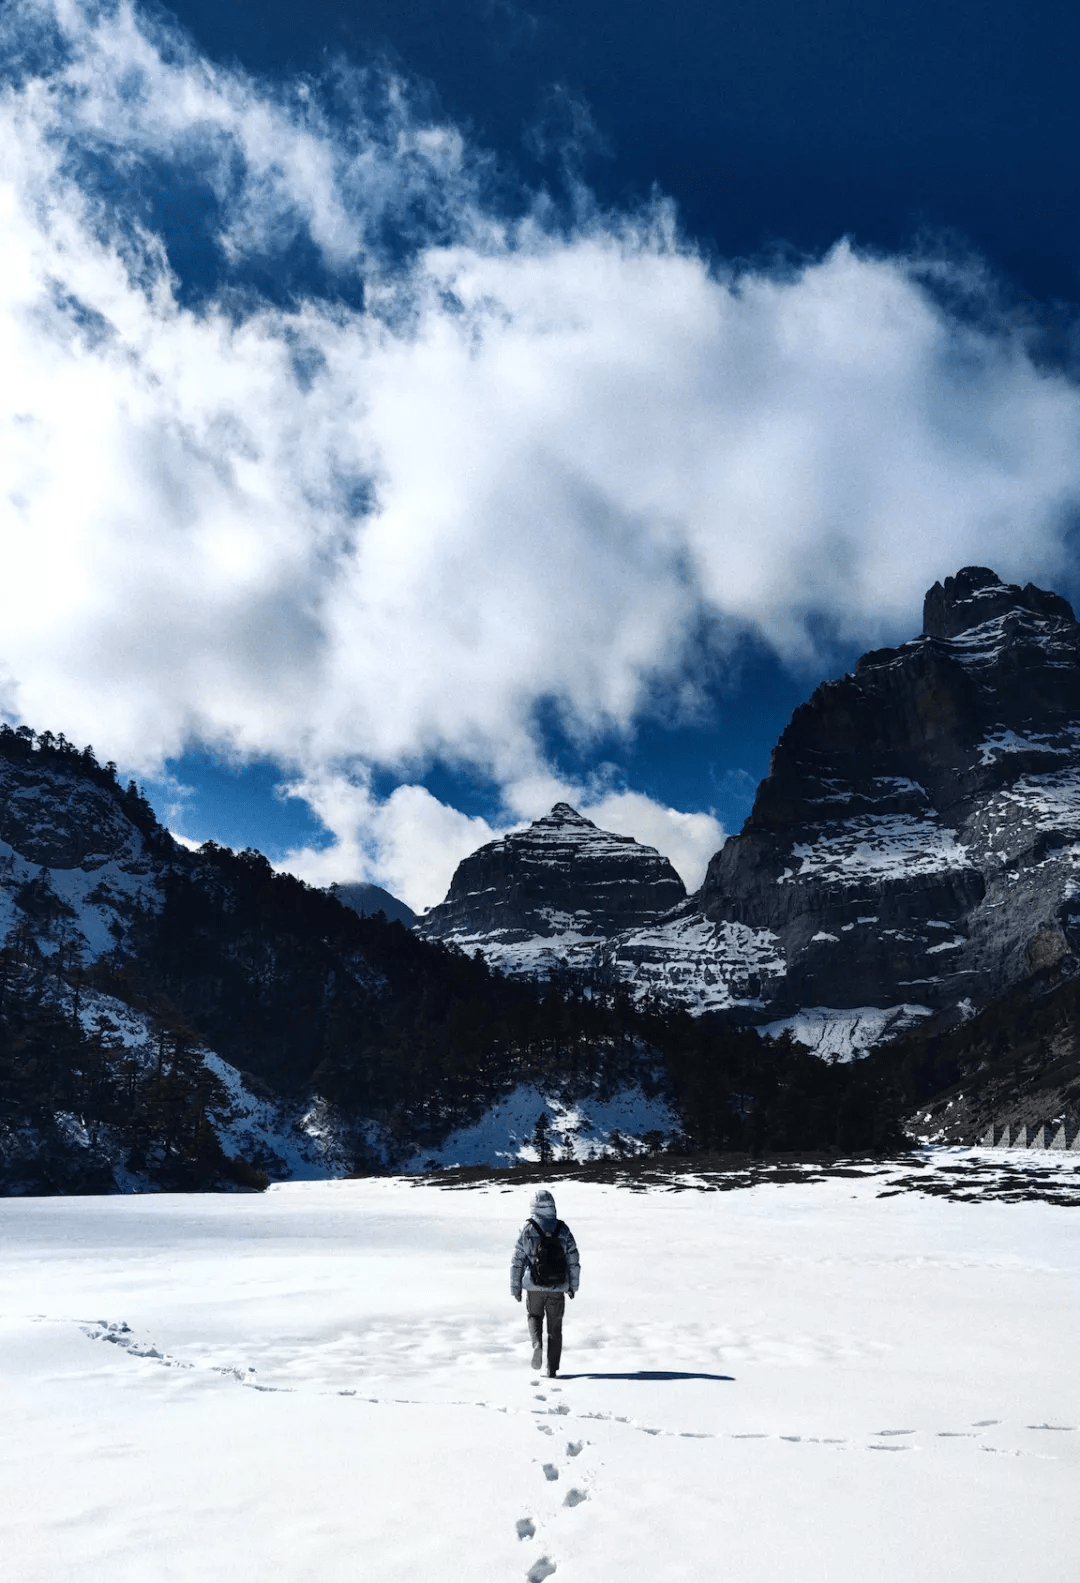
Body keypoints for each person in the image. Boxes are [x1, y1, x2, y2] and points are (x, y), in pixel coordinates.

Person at [510, 1188, 581, 1377]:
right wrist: (573, 1286)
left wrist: (516, 1288)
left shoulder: (528, 1228)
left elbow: (517, 1261)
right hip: (557, 1288)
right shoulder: (562, 1229)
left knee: (534, 1317)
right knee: (555, 1328)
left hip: (534, 1286)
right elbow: (573, 1260)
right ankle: (552, 1369)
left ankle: (537, 1345)